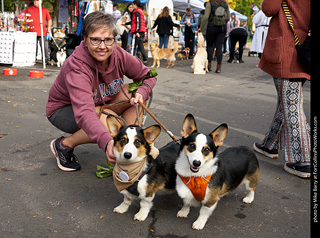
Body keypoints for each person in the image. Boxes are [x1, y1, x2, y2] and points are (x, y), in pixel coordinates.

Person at [46, 12, 157, 172]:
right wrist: (107, 142)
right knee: (103, 119)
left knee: (136, 95)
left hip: (100, 103)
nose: (102, 46)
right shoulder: (77, 68)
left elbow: (147, 75)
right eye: (95, 40)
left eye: (108, 40)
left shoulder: (118, 54)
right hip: (64, 111)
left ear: (114, 39)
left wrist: (143, 90)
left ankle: (130, 149)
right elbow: (85, 113)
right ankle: (64, 145)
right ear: (85, 39)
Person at [253, 0, 311, 178]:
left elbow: (269, 8)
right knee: (287, 100)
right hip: (305, 48)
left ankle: (304, 159)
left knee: (292, 105)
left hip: (287, 49)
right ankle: (269, 144)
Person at [200, 0, 230, 73]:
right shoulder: (225, 3)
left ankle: (209, 65)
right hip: (222, 28)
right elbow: (228, 17)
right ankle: (219, 67)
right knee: (219, 47)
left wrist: (201, 27)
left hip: (211, 26)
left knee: (210, 46)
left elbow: (206, 17)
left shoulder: (210, 3)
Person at [131, 0, 148, 65]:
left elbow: (138, 22)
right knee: (141, 46)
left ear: (135, 5)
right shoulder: (141, 11)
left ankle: (131, 60)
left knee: (133, 46)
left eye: (133, 5)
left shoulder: (137, 12)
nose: (132, 6)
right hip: (142, 31)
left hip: (137, 31)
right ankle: (145, 60)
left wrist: (137, 31)